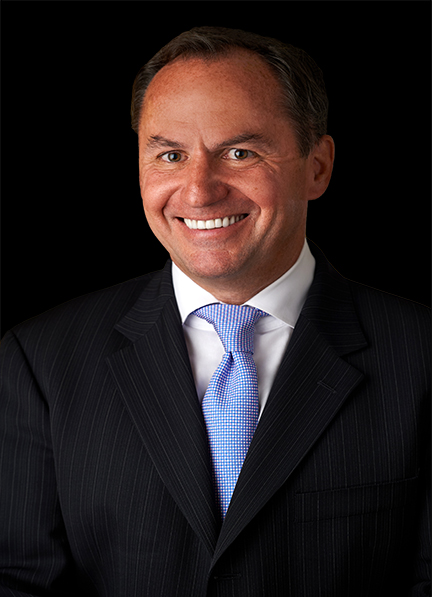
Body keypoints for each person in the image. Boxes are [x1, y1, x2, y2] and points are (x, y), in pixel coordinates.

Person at [0, 26, 429, 597]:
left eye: (240, 153)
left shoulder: (421, 357)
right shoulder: (40, 360)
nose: (199, 191)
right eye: (171, 155)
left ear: (318, 166)